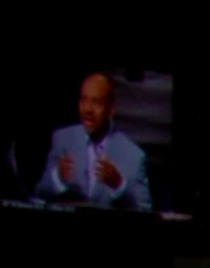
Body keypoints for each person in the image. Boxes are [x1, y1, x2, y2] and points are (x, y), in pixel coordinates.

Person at [33, 73, 153, 211]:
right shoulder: (62, 139)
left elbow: (145, 212)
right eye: (84, 100)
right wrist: (58, 178)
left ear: (111, 109)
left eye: (97, 102)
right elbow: (39, 195)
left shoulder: (134, 156)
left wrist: (119, 185)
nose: (88, 109)